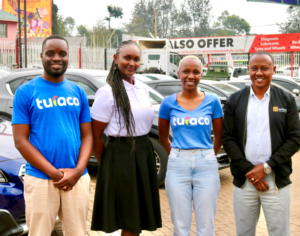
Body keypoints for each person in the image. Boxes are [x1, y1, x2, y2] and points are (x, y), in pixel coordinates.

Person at [12, 35, 93, 236]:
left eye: (62, 54)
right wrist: (54, 173)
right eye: (50, 53)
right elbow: (20, 141)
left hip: (77, 178)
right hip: (40, 178)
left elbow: (88, 136)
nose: (56, 58)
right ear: (41, 56)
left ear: (68, 57)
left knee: (77, 233)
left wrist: (78, 171)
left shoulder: (78, 92)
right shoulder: (25, 92)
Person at [222, 51, 300, 236]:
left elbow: (295, 138)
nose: (259, 73)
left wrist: (266, 168)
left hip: (276, 180)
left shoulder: (286, 99)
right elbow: (228, 138)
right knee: (244, 233)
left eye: (264, 68)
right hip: (244, 180)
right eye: (254, 68)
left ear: (273, 70)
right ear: (248, 70)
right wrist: (250, 171)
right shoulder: (235, 100)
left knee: (279, 232)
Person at [91, 40, 162, 236]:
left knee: (136, 217)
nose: (132, 63)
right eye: (127, 58)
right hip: (120, 155)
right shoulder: (107, 93)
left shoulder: (142, 88)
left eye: (136, 59)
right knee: (129, 217)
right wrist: (107, 164)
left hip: (143, 152)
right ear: (116, 59)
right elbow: (96, 136)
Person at [158, 55, 223, 236]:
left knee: (206, 226)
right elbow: (163, 137)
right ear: (178, 73)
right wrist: (177, 155)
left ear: (201, 74)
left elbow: (219, 136)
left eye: (196, 72)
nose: (190, 76)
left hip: (206, 164)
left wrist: (209, 155)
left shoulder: (212, 101)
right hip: (178, 165)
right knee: (180, 225)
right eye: (186, 71)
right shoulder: (168, 103)